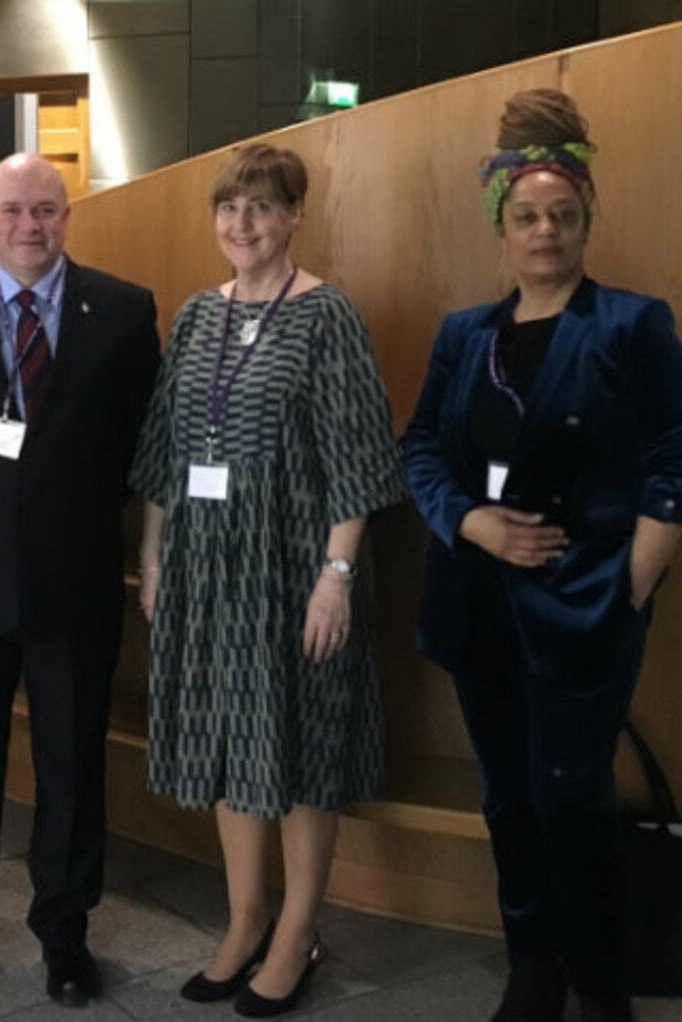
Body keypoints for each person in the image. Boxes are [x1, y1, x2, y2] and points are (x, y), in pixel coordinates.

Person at [400, 89, 682, 1022]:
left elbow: (677, 450)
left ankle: (600, 982)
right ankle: (531, 967)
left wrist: (634, 582)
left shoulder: (630, 325)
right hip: (479, 605)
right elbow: (419, 449)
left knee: (571, 799)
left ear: (585, 223)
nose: (545, 231)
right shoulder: (465, 335)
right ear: (503, 226)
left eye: (562, 217)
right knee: (507, 801)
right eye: (527, 216)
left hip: (587, 607)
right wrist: (469, 522)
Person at [130, 143, 409, 1019]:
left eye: (260, 208)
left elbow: (358, 462)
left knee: (296, 748)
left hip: (292, 571)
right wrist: (152, 555)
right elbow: (166, 455)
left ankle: (297, 931)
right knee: (223, 740)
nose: (241, 224)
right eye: (229, 208)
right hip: (203, 571)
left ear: (294, 215)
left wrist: (337, 576)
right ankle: (244, 919)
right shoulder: (194, 317)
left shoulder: (328, 316)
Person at [0, 153, 161, 1008]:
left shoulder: (123, 312)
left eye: (45, 209)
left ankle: (65, 933)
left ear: (66, 215)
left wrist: (56, 504)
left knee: (72, 761)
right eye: (12, 209)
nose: (29, 225)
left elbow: (135, 443)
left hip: (75, 579)